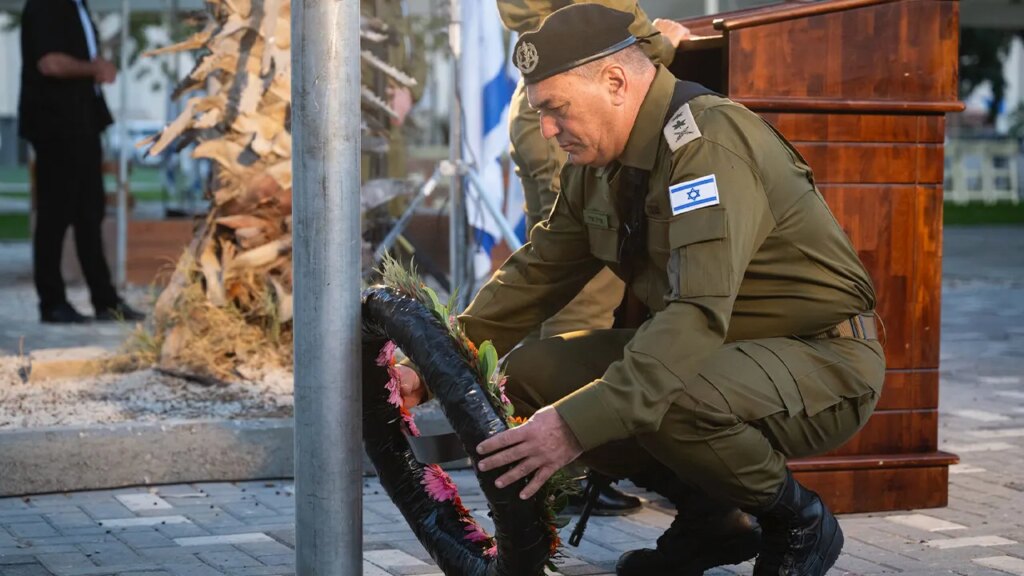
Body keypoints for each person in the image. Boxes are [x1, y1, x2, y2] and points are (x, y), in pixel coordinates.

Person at [398, 4, 885, 576]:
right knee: (530, 373)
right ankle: (712, 516)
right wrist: (431, 366)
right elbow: (537, 273)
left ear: (615, 82)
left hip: (823, 359)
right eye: (540, 112)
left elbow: (694, 317)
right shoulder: (597, 162)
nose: (548, 130)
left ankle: (796, 519)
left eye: (556, 109)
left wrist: (572, 426)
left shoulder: (706, 144)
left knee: (662, 390)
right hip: (723, 354)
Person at [497, 0, 692, 518]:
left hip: (543, 98)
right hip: (573, 98)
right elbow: (612, 16)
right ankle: (567, 471)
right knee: (580, 297)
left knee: (552, 285)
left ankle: (533, 459)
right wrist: (659, 45)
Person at [18, 0, 145, 323]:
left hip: (84, 123)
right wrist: (94, 69)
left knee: (90, 214)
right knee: (54, 215)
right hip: (56, 126)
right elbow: (49, 63)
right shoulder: (47, 5)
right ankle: (52, 302)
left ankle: (105, 300)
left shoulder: (79, 5)